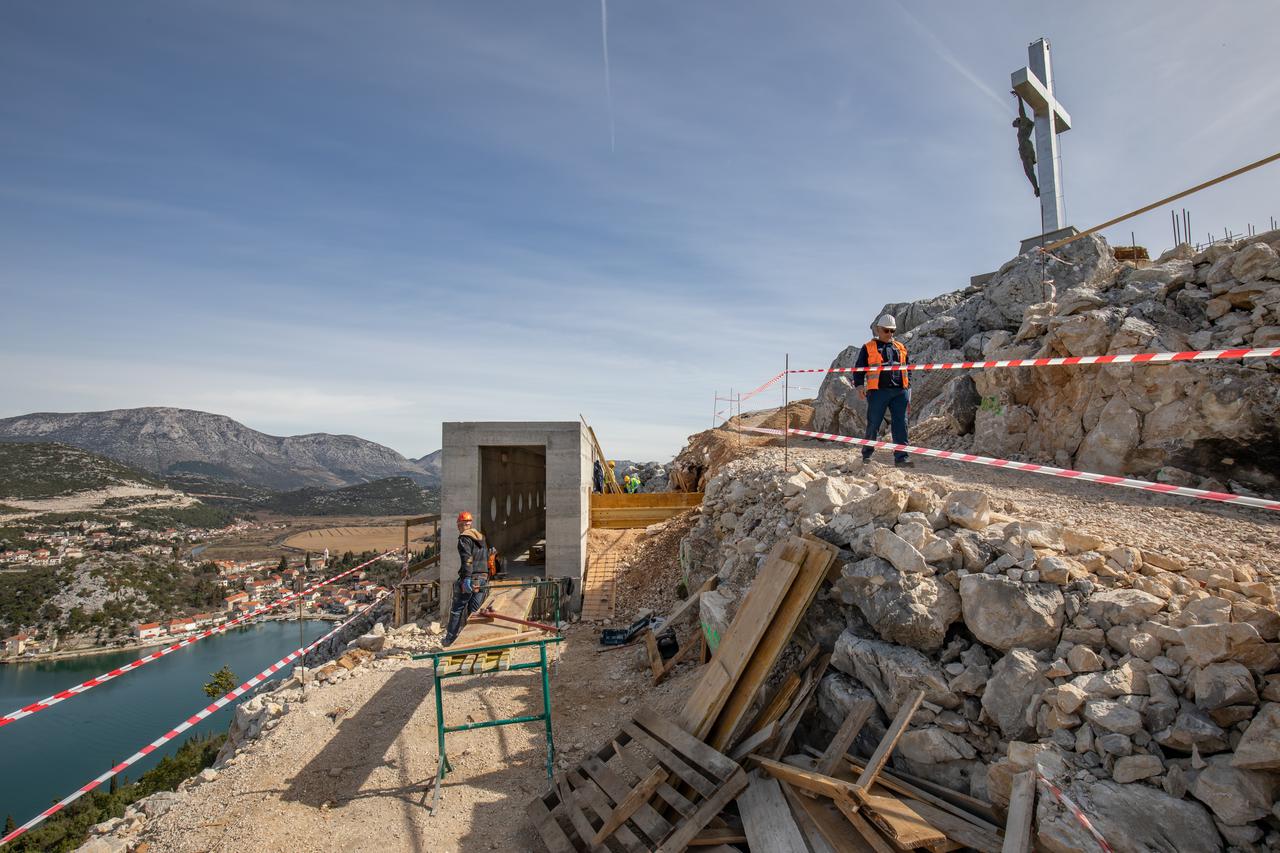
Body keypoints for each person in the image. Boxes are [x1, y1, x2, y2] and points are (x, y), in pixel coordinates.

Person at [852, 314, 912, 467]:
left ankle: (902, 458)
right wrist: (859, 386)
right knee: (873, 424)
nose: (890, 334)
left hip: (900, 392)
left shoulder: (900, 347)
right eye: (886, 330)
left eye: (892, 331)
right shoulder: (868, 347)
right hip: (878, 392)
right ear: (878, 330)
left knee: (901, 424)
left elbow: (908, 367)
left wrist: (908, 385)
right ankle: (867, 456)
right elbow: (859, 369)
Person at [442, 511, 488, 646]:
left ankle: (450, 639)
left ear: (461, 525)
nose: (458, 528)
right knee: (474, 610)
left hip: (471, 578)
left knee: (457, 609)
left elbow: (467, 559)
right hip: (483, 577)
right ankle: (472, 639)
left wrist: (466, 578)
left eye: (459, 525)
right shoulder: (481, 538)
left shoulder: (464, 539)